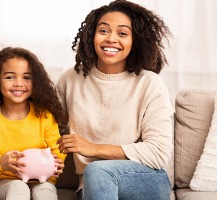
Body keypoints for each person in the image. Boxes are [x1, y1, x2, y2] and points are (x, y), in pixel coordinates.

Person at [56, 0, 173, 200]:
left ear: (135, 41)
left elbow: (158, 152)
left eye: (122, 33)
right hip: (93, 186)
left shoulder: (149, 84)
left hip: (145, 179)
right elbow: (44, 127)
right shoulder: (71, 79)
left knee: (96, 170)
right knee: (95, 174)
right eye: (103, 31)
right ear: (91, 36)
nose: (111, 39)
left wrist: (93, 149)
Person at [0, 46, 66, 200]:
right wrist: (1, 162)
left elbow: (57, 149)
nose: (19, 83)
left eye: (27, 77)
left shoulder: (44, 115)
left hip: (42, 180)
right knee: (18, 187)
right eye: (10, 77)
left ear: (36, 82)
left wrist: (56, 164)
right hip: (4, 181)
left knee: (45, 192)